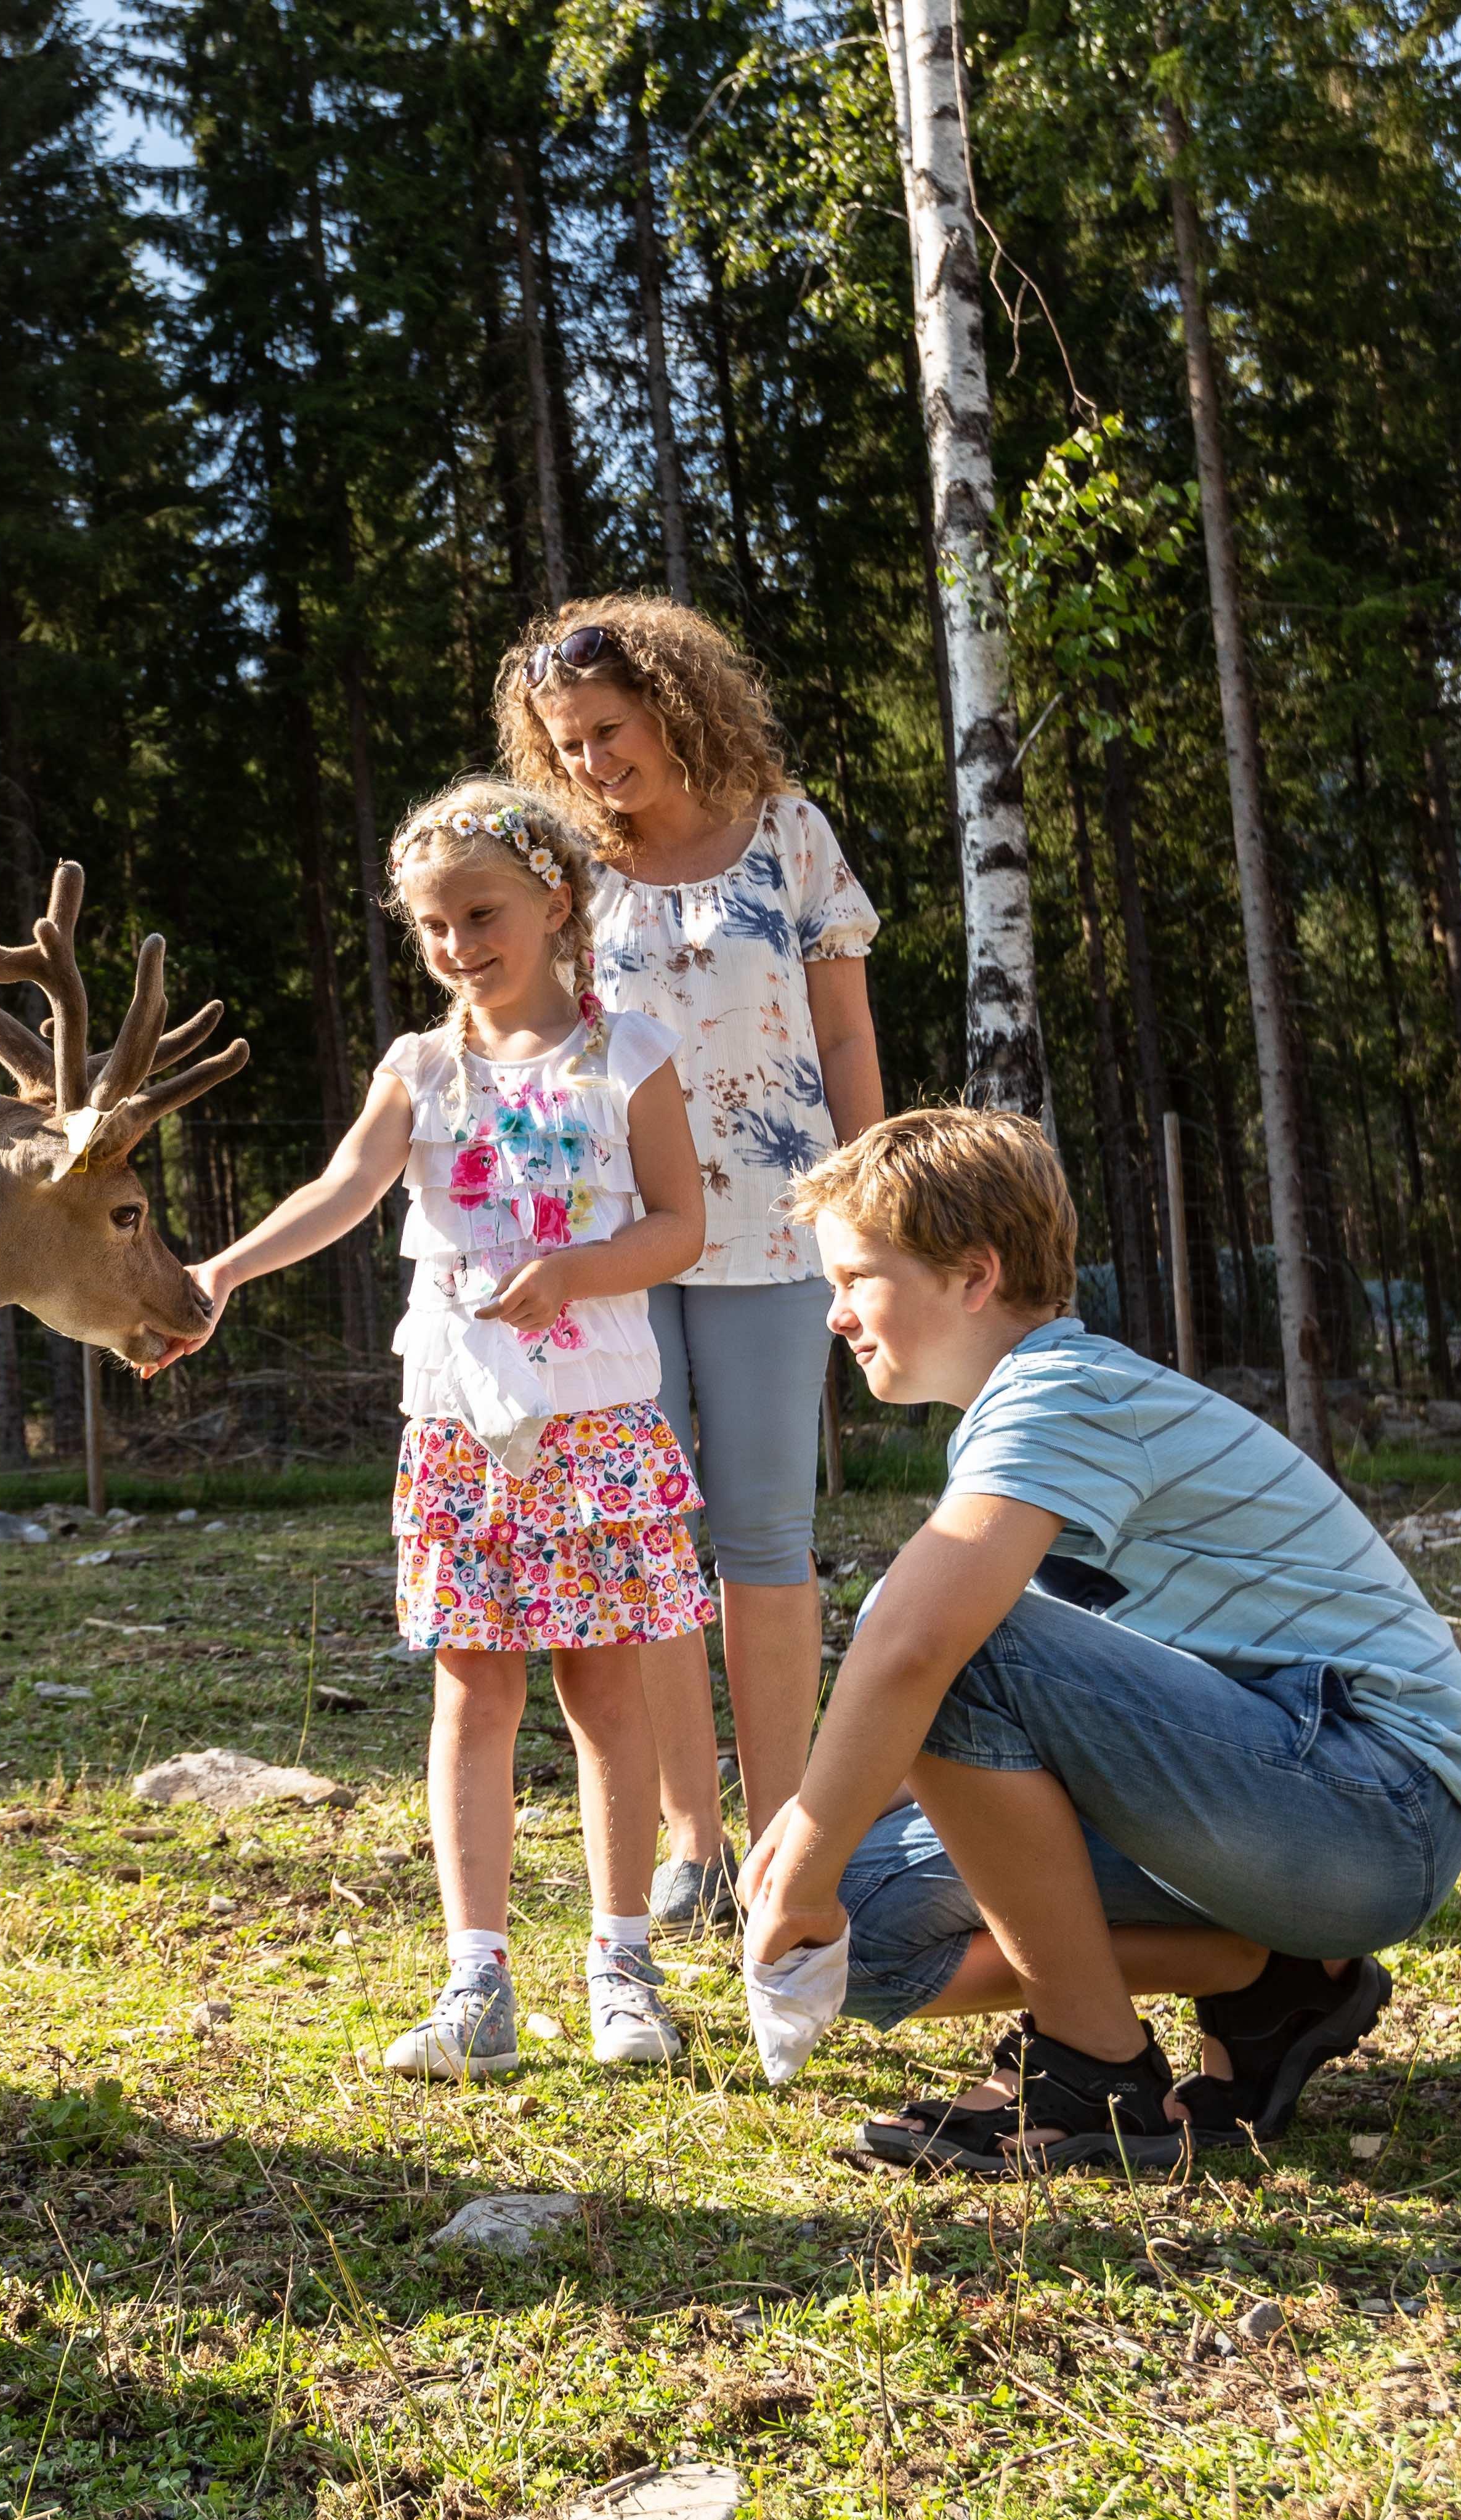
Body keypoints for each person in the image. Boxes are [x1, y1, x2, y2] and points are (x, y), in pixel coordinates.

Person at [740, 1110, 1461, 2170]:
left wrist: (808, 1843)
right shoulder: (1027, 1415)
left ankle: (1093, 2071)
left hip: (1375, 1810)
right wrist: (811, 1866)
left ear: (972, 1275)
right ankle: (1265, 1971)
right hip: (1269, 1809)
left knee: (945, 1644)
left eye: (857, 1277)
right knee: (859, 1918)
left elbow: (920, 1648)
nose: (835, 1315)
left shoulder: (1062, 1394)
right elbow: (1034, 1724)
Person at [187, 784, 713, 2078]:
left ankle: (621, 1968)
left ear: (553, 903)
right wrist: (223, 1273)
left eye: (479, 913)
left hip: (594, 1425)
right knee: (472, 1691)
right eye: (429, 925)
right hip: (462, 1429)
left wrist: (581, 1270)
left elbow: (679, 1225)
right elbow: (343, 1188)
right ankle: (476, 1985)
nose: (456, 943)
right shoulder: (418, 1070)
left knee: (602, 1689)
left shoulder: (629, 1056)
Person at [498, 598, 881, 1938]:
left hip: (779, 1227)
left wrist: (868, 1198)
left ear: (675, 704)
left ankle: (784, 1836)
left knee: (764, 1534)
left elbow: (841, 1044)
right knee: (646, 1545)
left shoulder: (792, 836)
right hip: (612, 1234)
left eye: (609, 731)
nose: (593, 762)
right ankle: (688, 1844)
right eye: (567, 744)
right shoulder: (563, 868)